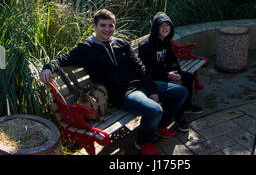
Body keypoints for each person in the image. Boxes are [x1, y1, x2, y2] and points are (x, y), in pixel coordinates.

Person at [39, 9, 188, 156]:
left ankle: (159, 125)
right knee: (155, 110)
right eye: (103, 25)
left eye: (111, 25)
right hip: (122, 94)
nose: (107, 29)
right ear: (94, 26)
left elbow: (140, 68)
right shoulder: (85, 49)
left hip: (139, 84)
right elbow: (61, 59)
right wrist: (47, 68)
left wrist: (152, 90)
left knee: (181, 92)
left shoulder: (121, 44)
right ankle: (143, 142)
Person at [138, 12, 204, 134]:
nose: (165, 28)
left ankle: (186, 106)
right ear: (156, 27)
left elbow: (172, 59)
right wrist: (168, 75)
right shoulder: (146, 45)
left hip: (164, 73)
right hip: (151, 78)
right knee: (178, 88)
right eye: (161, 25)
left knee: (188, 77)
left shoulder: (166, 41)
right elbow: (148, 69)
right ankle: (179, 118)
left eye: (167, 25)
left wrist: (177, 71)